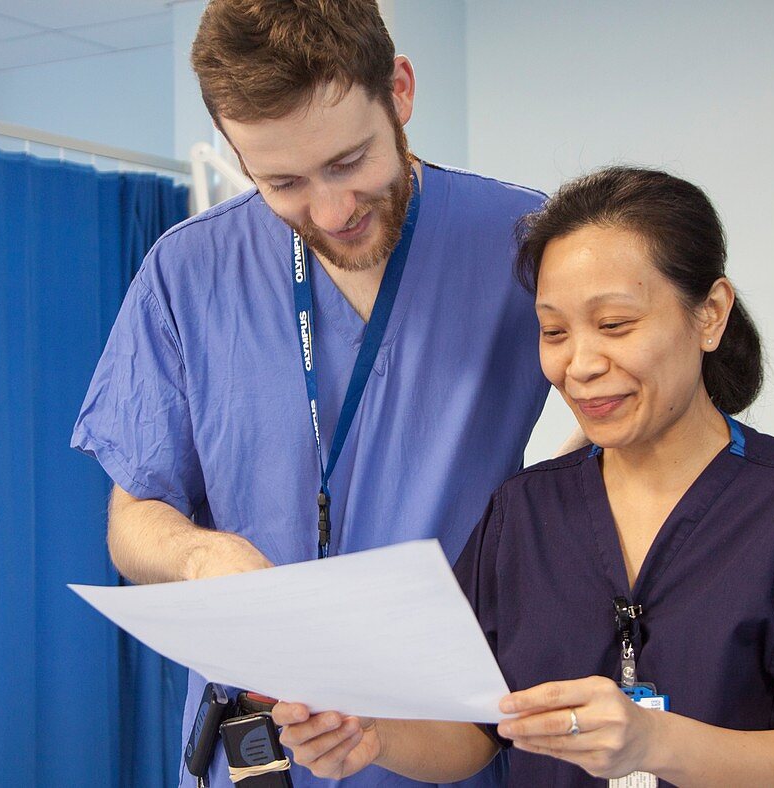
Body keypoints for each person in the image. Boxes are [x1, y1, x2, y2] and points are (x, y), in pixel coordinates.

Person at [70, 1, 551, 785]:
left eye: (348, 161)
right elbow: (135, 518)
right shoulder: (186, 273)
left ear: (398, 91)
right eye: (283, 182)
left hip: (448, 747)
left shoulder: (523, 245)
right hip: (257, 752)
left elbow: (627, 421)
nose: (330, 213)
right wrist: (200, 555)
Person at [274, 167, 774, 786]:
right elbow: (473, 734)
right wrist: (374, 733)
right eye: (554, 331)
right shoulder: (523, 512)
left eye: (614, 325)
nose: (578, 365)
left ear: (710, 314)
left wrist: (655, 742)